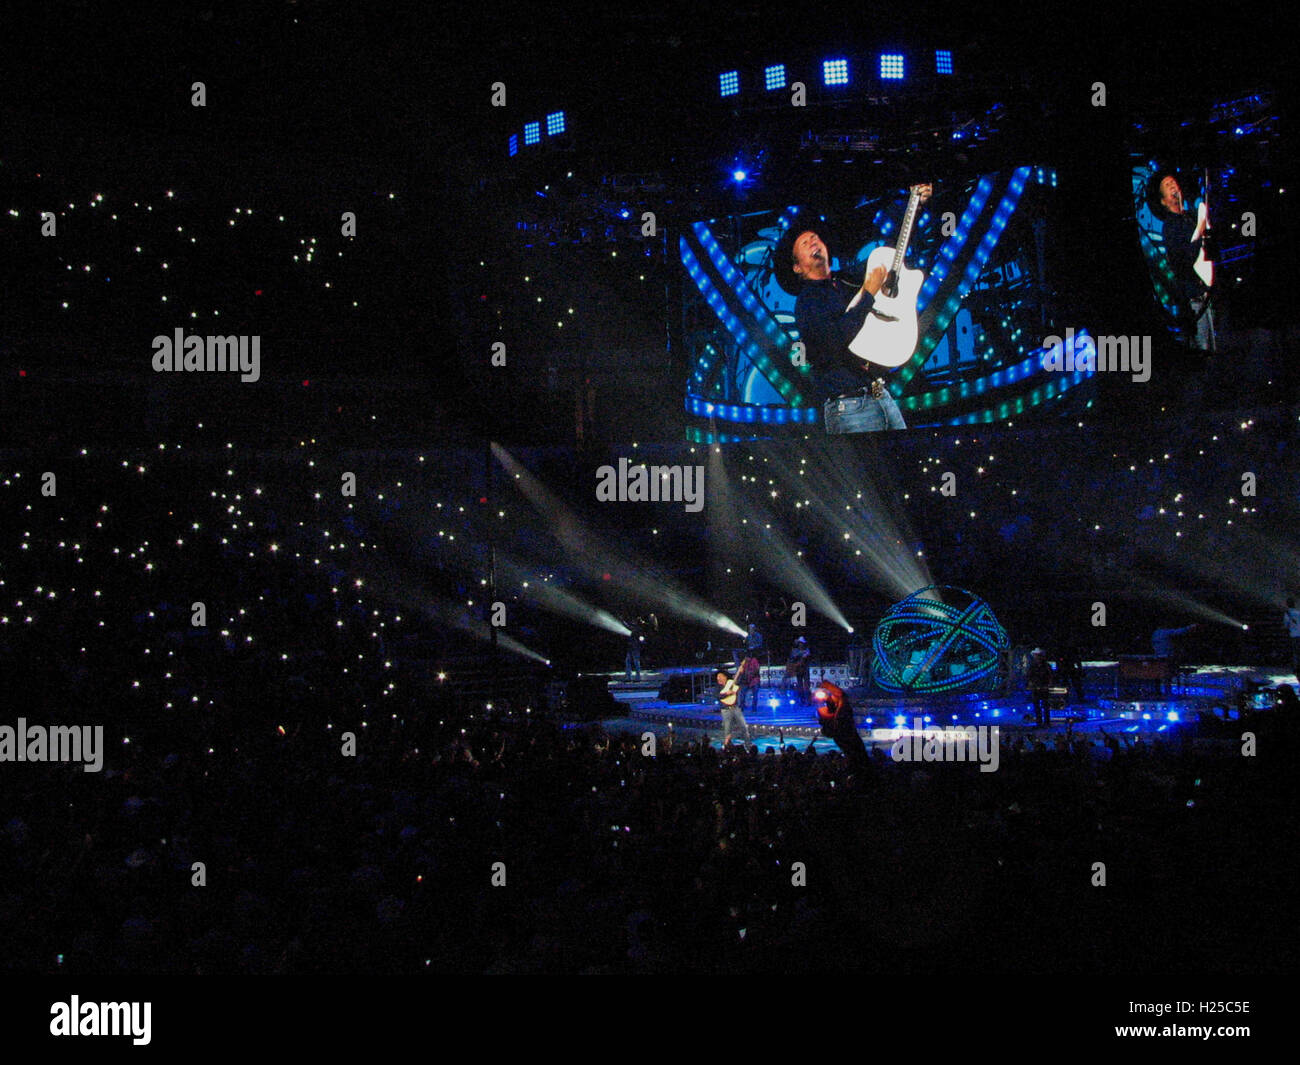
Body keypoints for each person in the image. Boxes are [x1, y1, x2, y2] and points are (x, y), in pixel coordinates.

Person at [774, 185, 931, 433]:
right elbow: (835, 343)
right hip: (848, 408)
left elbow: (891, 257)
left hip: (881, 396)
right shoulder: (807, 303)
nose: (813, 241)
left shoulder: (844, 281)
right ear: (797, 267)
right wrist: (868, 293)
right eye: (805, 243)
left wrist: (915, 207)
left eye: (815, 237)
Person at [1148, 170, 1215, 353]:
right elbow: (1184, 259)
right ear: (1163, 200)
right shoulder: (1170, 227)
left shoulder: (1189, 217)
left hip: (1205, 291)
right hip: (1193, 298)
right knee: (1202, 349)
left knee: (1213, 345)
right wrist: (1200, 230)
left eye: (1174, 183)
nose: (1173, 186)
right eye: (1168, 186)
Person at [813, 680, 869, 768]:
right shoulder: (840, 718)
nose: (824, 706)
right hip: (858, 757)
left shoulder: (837, 720)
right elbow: (842, 696)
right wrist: (828, 685)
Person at [716, 670, 750, 747]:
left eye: (720, 676)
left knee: (744, 727)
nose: (718, 678)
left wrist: (740, 673)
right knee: (727, 730)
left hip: (735, 708)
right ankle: (727, 747)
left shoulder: (731, 683)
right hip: (725, 710)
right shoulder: (718, 687)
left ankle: (748, 745)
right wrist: (726, 694)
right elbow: (718, 696)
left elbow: (739, 683)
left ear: (725, 677)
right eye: (717, 677)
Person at [1026, 648, 1054, 728]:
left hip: (1044, 687)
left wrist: (1049, 684)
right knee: (1037, 706)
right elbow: (1029, 676)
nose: (1037, 658)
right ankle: (1039, 722)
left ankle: (1047, 722)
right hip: (1035, 688)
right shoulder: (1032, 666)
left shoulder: (1046, 666)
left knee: (1045, 706)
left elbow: (1050, 676)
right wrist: (1030, 684)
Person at [785, 636, 812, 705]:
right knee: (800, 686)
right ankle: (802, 700)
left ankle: (808, 700)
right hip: (798, 670)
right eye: (800, 643)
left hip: (805, 669)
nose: (801, 644)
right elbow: (792, 657)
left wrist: (802, 655)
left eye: (802, 643)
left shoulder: (806, 650)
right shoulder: (795, 650)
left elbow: (806, 656)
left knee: (806, 686)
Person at [1284, 597, 1300, 681]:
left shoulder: (1287, 613)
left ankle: (1297, 669)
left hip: (1294, 635)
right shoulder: (1298, 613)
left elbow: (1286, 625)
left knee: (1296, 653)